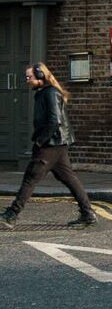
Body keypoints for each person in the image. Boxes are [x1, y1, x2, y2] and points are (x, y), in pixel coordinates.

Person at [1, 62, 96, 229]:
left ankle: (12, 214)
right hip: (56, 144)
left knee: (31, 177)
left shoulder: (50, 93)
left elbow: (54, 122)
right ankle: (88, 214)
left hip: (51, 144)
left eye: (29, 77)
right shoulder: (43, 92)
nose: (27, 80)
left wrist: (40, 141)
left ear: (40, 76)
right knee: (68, 178)